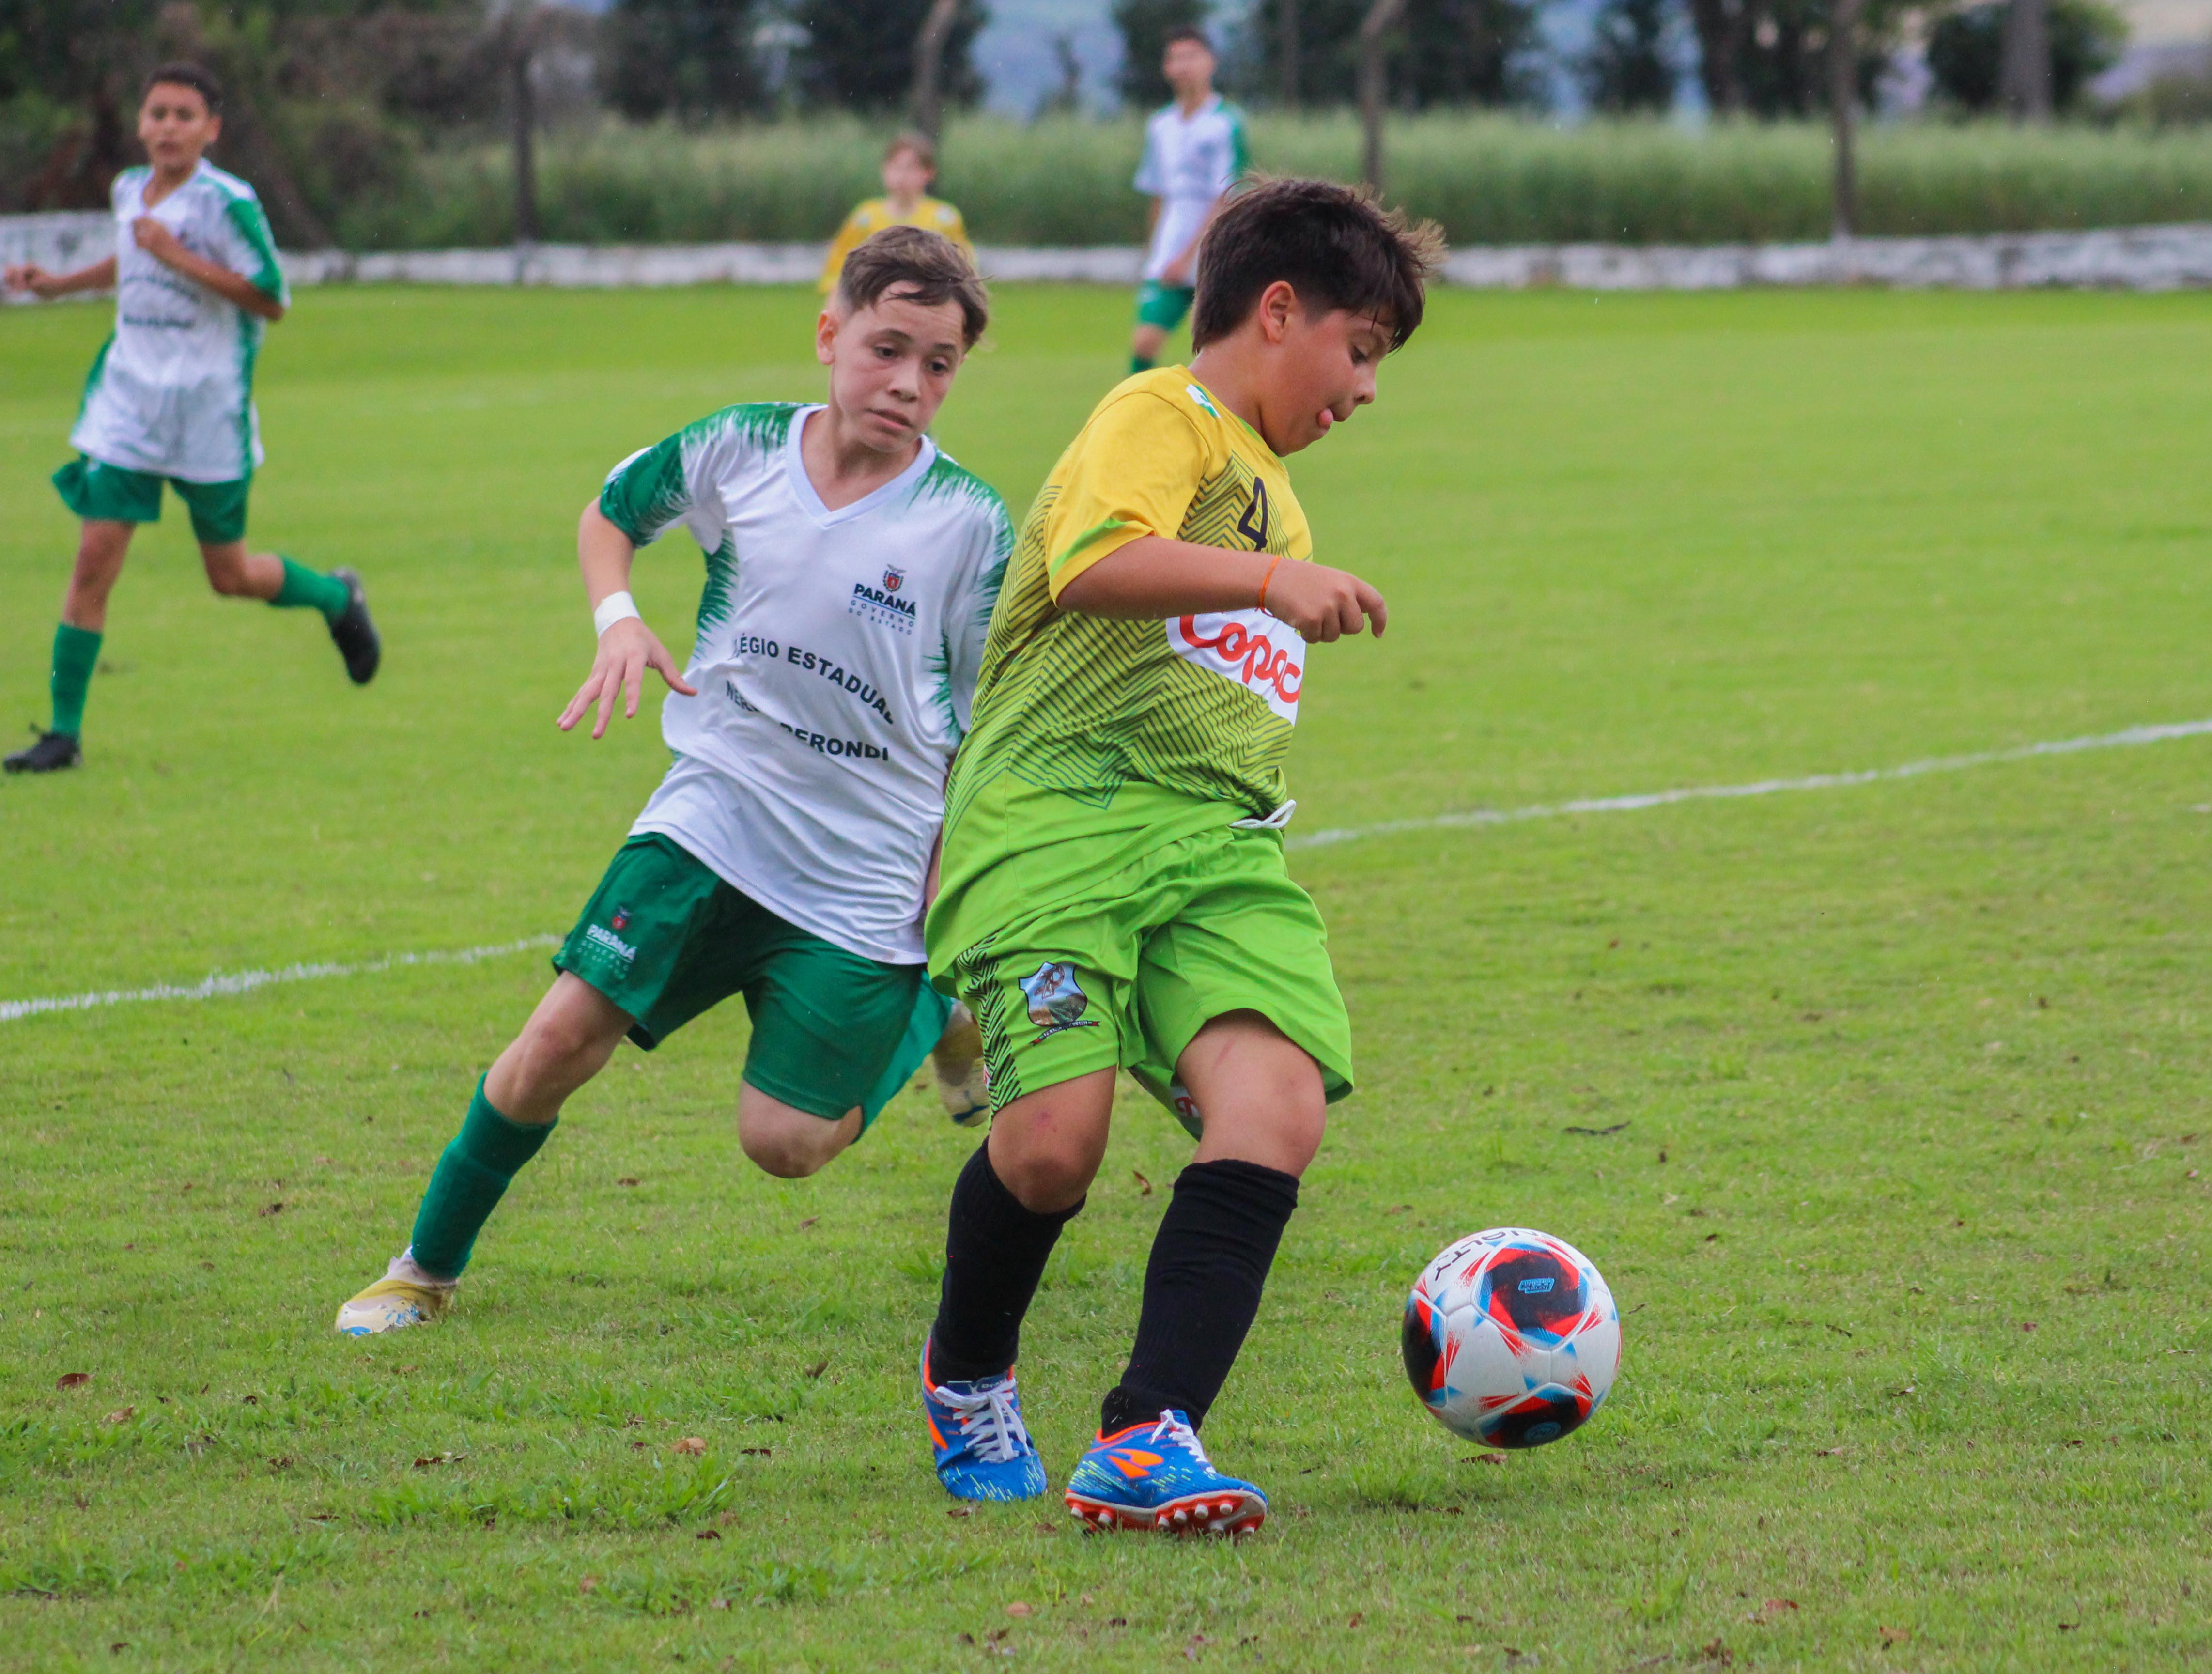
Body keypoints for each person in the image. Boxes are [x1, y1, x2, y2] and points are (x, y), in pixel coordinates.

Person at [335, 228, 1010, 1336]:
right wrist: (620, 620)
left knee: (784, 1145)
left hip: (867, 865)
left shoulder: (970, 525)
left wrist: (949, 894)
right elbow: (612, 512)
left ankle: (937, 1009)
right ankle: (423, 1266)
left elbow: (987, 728)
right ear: (828, 333)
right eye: (887, 348)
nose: (907, 383)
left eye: (937, 364)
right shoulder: (741, 446)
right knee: (556, 1036)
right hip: (713, 814)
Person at [914, 179, 1443, 1524]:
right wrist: (1270, 582)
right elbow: (1099, 559)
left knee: (1278, 1106)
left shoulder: (1277, 493)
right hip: (1058, 825)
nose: (1367, 391)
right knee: (1050, 1150)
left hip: (1213, 858)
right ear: (1280, 311)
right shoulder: (1164, 413)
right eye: (1362, 350)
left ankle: (1150, 1433)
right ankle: (966, 1373)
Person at [1, 62, 379, 775]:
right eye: (157, 113)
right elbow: (131, 260)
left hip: (208, 413)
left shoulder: (227, 203)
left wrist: (179, 258)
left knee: (229, 575)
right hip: (128, 411)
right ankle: (63, 734)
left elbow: (271, 298)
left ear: (212, 129)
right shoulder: (127, 191)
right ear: (141, 124)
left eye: (184, 115)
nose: (168, 127)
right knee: (92, 565)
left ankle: (336, 597)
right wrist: (60, 285)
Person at [1128, 27, 1245, 374]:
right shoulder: (1161, 125)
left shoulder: (1225, 123)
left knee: (1220, 348)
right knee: (1144, 342)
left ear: (1211, 63)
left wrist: (1191, 254)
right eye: (1176, 58)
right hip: (1170, 254)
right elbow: (1158, 194)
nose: (1183, 66)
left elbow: (1226, 194)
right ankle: (1137, 418)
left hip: (1214, 251)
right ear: (1166, 68)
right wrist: (1156, 252)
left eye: (1191, 56)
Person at [819, 132, 973, 303]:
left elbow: (964, 271)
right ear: (884, 170)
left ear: (928, 173)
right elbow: (838, 268)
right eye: (896, 167)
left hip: (928, 304)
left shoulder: (944, 219)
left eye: (910, 168)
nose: (902, 176)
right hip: (874, 305)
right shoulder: (866, 218)